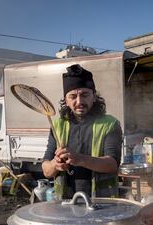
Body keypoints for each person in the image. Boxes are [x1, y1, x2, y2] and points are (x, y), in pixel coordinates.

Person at [42, 64, 122, 199]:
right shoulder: (58, 126)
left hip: (102, 203)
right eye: (73, 96)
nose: (79, 101)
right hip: (66, 203)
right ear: (66, 101)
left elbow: (112, 165)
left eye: (84, 95)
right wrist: (55, 165)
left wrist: (80, 159)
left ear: (94, 96)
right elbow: (46, 170)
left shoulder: (110, 124)